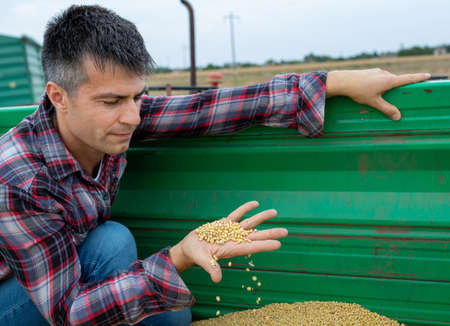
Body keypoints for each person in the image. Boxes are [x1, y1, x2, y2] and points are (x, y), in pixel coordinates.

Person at [0, 4, 430, 326]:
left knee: (172, 315)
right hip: (20, 297)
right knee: (113, 244)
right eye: (112, 101)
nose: (132, 116)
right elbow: (68, 311)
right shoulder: (18, 176)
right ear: (58, 97)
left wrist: (333, 83)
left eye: (136, 96)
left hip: (68, 264)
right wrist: (178, 257)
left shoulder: (113, 120)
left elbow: (209, 109)